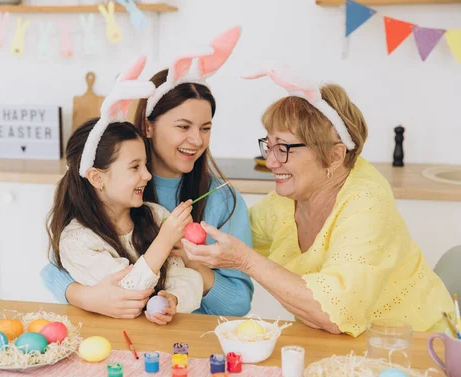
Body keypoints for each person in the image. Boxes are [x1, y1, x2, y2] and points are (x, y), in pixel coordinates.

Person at [182, 65, 455, 337]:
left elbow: (334, 313)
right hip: (347, 347)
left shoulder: (367, 203)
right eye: (269, 144)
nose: (272, 161)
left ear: (334, 156)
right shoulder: (286, 200)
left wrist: (246, 261)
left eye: (285, 148)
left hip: (421, 345)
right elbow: (231, 237)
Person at [41, 26, 254, 318]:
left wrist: (191, 263)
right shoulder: (116, 184)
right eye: (183, 126)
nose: (196, 140)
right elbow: (56, 267)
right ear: (149, 126)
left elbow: (238, 304)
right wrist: (84, 296)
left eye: (205, 128)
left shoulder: (223, 201)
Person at [47, 57, 203, 325]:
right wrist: (164, 241)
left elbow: (186, 276)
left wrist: (174, 298)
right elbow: (127, 295)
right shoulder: (77, 240)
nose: (147, 175)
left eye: (145, 164)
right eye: (134, 167)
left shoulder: (154, 215)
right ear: (97, 177)